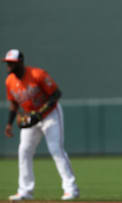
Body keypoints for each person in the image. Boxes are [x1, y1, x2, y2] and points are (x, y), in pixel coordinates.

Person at [2, 49, 79, 201]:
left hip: (51, 114)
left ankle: (71, 189)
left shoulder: (37, 74)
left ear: (21, 63)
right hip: (31, 117)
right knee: (24, 151)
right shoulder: (9, 81)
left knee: (56, 149)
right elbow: (13, 104)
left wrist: (40, 113)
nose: (9, 66)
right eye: (7, 63)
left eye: (12, 63)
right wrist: (9, 124)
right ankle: (25, 191)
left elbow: (56, 94)